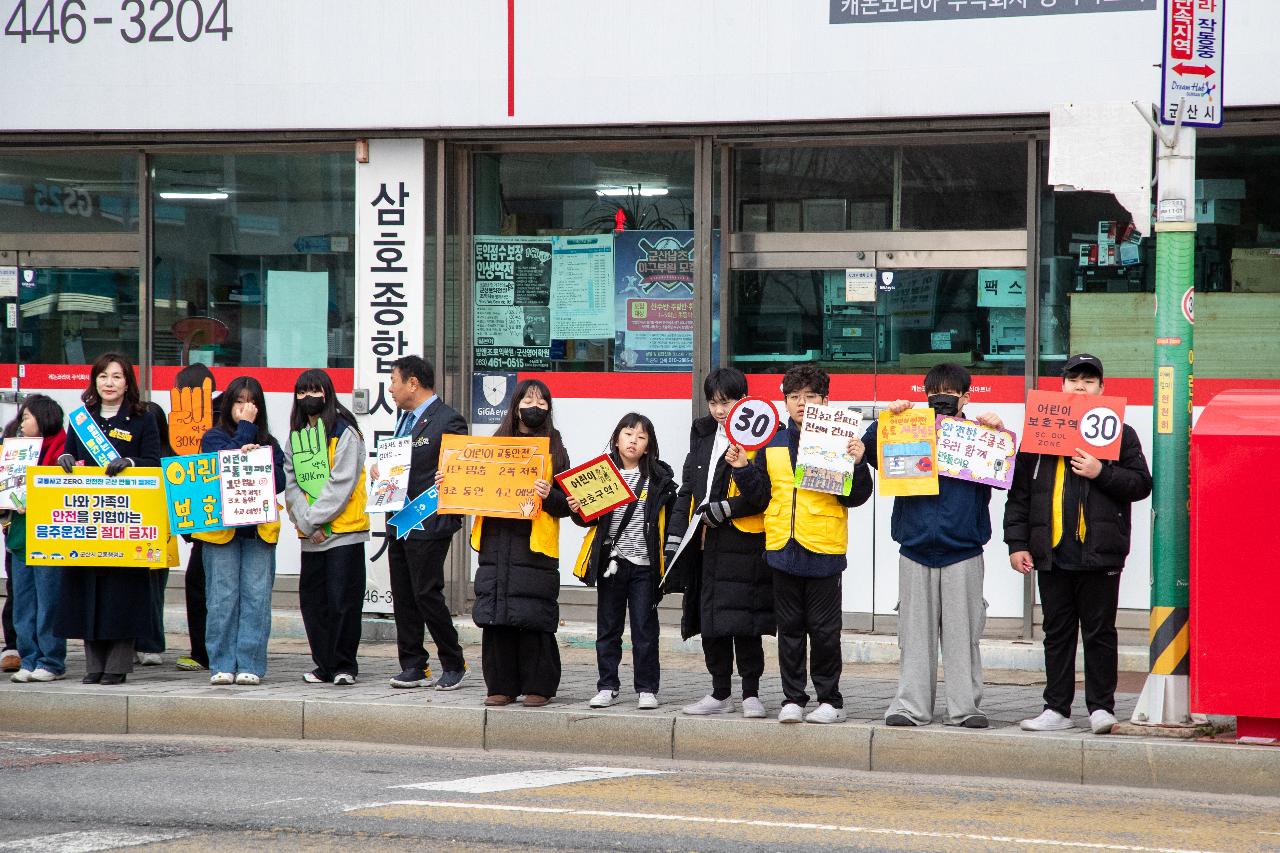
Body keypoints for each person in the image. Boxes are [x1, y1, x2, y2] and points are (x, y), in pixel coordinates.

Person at [1005, 353, 1152, 735]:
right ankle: (1056, 708)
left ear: (1102, 389)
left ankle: (1102, 708)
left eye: (1089, 381)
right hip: (1050, 552)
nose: (1081, 387)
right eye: (1074, 380)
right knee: (1057, 632)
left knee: (1100, 632)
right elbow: (1019, 495)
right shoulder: (1040, 432)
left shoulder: (1120, 431)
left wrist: (1100, 471)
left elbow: (1140, 484)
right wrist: (1017, 543)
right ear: (1062, 386)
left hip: (1100, 553)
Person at [862, 363, 1004, 729]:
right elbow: (864, 451)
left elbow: (1005, 468)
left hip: (964, 549)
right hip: (914, 546)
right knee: (913, 635)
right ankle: (911, 707)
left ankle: (966, 707)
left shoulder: (978, 435)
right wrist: (886, 420)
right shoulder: (906, 428)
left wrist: (997, 430)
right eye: (934, 392)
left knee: (964, 634)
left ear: (966, 398)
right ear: (925, 395)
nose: (941, 399)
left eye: (950, 393)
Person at [734, 364, 872, 724]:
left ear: (825, 400)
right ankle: (793, 698)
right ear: (784, 401)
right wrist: (743, 469)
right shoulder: (772, 441)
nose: (801, 403)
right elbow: (762, 496)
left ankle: (831, 700)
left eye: (810, 396)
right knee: (790, 630)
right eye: (794, 396)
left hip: (823, 546)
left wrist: (858, 464)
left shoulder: (839, 439)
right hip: (782, 545)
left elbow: (856, 498)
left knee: (825, 632)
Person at [664, 368, 773, 719]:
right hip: (703, 541)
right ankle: (719, 691)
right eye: (713, 403)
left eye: (726, 402)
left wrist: (725, 510)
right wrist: (675, 538)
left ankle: (751, 693)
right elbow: (687, 491)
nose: (719, 410)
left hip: (743, 541)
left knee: (745, 620)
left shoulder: (762, 435)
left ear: (743, 398)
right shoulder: (703, 434)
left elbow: (765, 493)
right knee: (710, 619)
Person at [54, 352, 163, 685]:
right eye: (103, 376)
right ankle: (93, 665)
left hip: (126, 519)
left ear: (127, 381)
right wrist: (66, 457)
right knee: (88, 590)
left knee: (121, 593)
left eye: (116, 376)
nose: (109, 383)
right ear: (94, 381)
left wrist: (130, 462)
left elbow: (156, 462)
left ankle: (117, 665)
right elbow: (69, 456)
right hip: (89, 518)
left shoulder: (143, 417)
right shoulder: (82, 419)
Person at [468, 379, 572, 707]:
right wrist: (449, 481)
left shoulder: (555, 447)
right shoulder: (495, 444)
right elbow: (468, 486)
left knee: (534, 614)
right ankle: (500, 685)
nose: (536, 407)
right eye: (529, 400)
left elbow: (569, 503)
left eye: (543, 403)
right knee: (496, 614)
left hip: (534, 544)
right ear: (514, 405)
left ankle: (538, 685)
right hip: (496, 543)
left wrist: (549, 495)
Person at [572, 412, 677, 711]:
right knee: (608, 628)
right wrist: (578, 509)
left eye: (641, 436)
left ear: (649, 445)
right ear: (617, 438)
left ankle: (646, 688)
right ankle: (607, 686)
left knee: (645, 628)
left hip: (645, 564)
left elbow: (670, 519)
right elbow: (585, 519)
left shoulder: (659, 478)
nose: (634, 440)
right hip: (611, 563)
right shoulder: (601, 473)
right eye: (628, 433)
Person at [384, 355, 469, 691]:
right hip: (398, 519)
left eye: (394, 380)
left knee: (426, 593)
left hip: (429, 519)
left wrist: (449, 474)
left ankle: (453, 661)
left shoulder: (448, 420)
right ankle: (413, 664)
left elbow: (462, 468)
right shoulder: (403, 420)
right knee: (404, 594)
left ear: (413, 383)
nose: (391, 388)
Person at [196, 376, 286, 686]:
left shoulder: (270, 443)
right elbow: (219, 467)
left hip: (258, 532)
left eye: (250, 402)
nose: (244, 407)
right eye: (238, 400)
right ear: (228, 403)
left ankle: (250, 663)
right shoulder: (213, 437)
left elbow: (281, 482)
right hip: (222, 533)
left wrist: (256, 453)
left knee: (255, 598)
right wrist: (244, 436)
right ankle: (221, 663)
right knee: (222, 599)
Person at [283, 369, 369, 686]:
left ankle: (344, 665)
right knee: (314, 604)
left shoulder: (345, 432)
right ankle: (324, 664)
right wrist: (307, 524)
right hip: (311, 537)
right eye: (301, 392)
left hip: (344, 534)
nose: (308, 398)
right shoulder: (296, 437)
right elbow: (291, 486)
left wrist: (316, 520)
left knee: (343, 603)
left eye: (314, 391)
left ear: (327, 393)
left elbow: (341, 485)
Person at [5, 395, 68, 683]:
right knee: (24, 601)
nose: (22, 423)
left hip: (50, 537)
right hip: (20, 535)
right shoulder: (15, 451)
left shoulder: (62, 449)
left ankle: (51, 660)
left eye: (27, 417)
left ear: (43, 418)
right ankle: (28, 658)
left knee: (50, 600)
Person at [171, 363, 217, 672]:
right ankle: (203, 650)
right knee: (201, 582)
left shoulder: (216, 419)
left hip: (212, 518)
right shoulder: (184, 424)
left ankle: (205, 651)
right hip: (207, 517)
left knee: (202, 583)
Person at [134, 401, 180, 667]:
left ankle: (151, 644)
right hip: (133, 535)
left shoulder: (171, 462)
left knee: (152, 595)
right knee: (139, 593)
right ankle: (135, 642)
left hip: (159, 538)